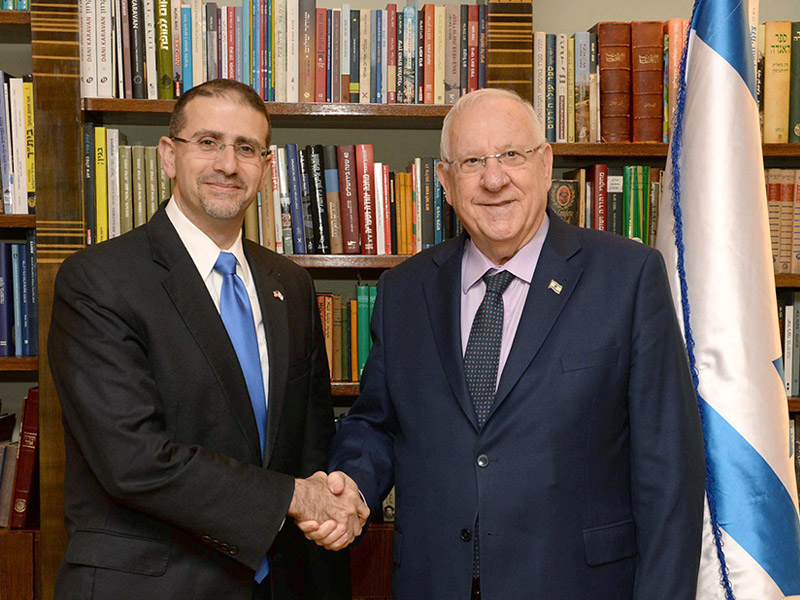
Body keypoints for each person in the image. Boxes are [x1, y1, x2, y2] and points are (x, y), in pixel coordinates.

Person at [310, 88, 706, 599]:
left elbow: (669, 471)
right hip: (436, 582)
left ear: (545, 164)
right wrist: (354, 486)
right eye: (472, 161)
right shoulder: (403, 290)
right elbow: (376, 423)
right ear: (446, 183)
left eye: (511, 156)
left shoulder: (627, 277)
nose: (494, 179)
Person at [48, 78, 367, 600]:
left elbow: (309, 442)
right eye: (209, 142)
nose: (227, 164)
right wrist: (292, 496)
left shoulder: (290, 284)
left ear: (265, 169)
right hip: (152, 585)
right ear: (170, 156)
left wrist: (330, 502)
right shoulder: (99, 280)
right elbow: (133, 460)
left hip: (279, 582)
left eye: (246, 148)